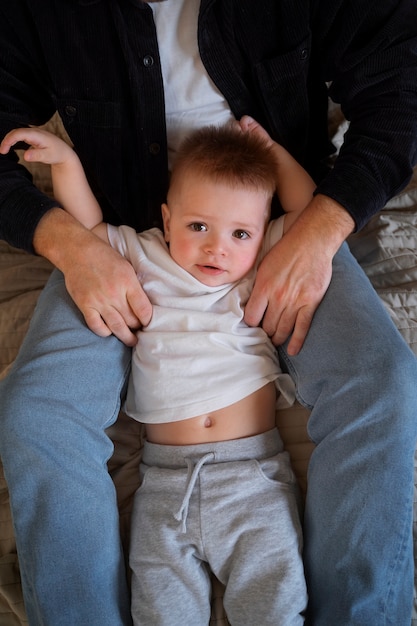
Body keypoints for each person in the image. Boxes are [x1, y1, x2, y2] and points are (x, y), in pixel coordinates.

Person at [0, 1, 416, 624]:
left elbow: (401, 88)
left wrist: (316, 229)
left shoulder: (270, 230)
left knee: (384, 387)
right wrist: (66, 238)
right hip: (121, 237)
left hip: (278, 225)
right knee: (37, 414)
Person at [2, 120, 316, 624]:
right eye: (199, 227)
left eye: (240, 232)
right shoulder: (146, 254)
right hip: (164, 485)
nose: (219, 247)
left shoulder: (258, 265)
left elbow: (306, 212)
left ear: (258, 234)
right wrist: (66, 162)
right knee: (160, 612)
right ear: (167, 222)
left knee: (275, 606)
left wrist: (270, 149)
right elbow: (87, 230)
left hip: (253, 478)